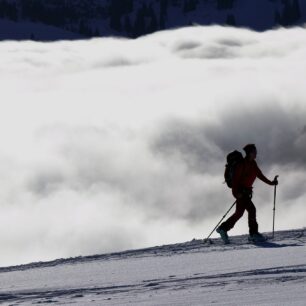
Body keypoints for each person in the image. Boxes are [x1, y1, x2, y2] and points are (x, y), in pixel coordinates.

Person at [217, 144, 278, 243]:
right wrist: (236, 194)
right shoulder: (242, 164)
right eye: (254, 152)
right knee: (252, 210)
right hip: (241, 193)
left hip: (245, 192)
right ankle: (253, 234)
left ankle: (223, 229)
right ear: (249, 153)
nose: (256, 154)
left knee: (239, 213)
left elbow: (260, 175)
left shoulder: (253, 163)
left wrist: (272, 183)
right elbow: (235, 181)